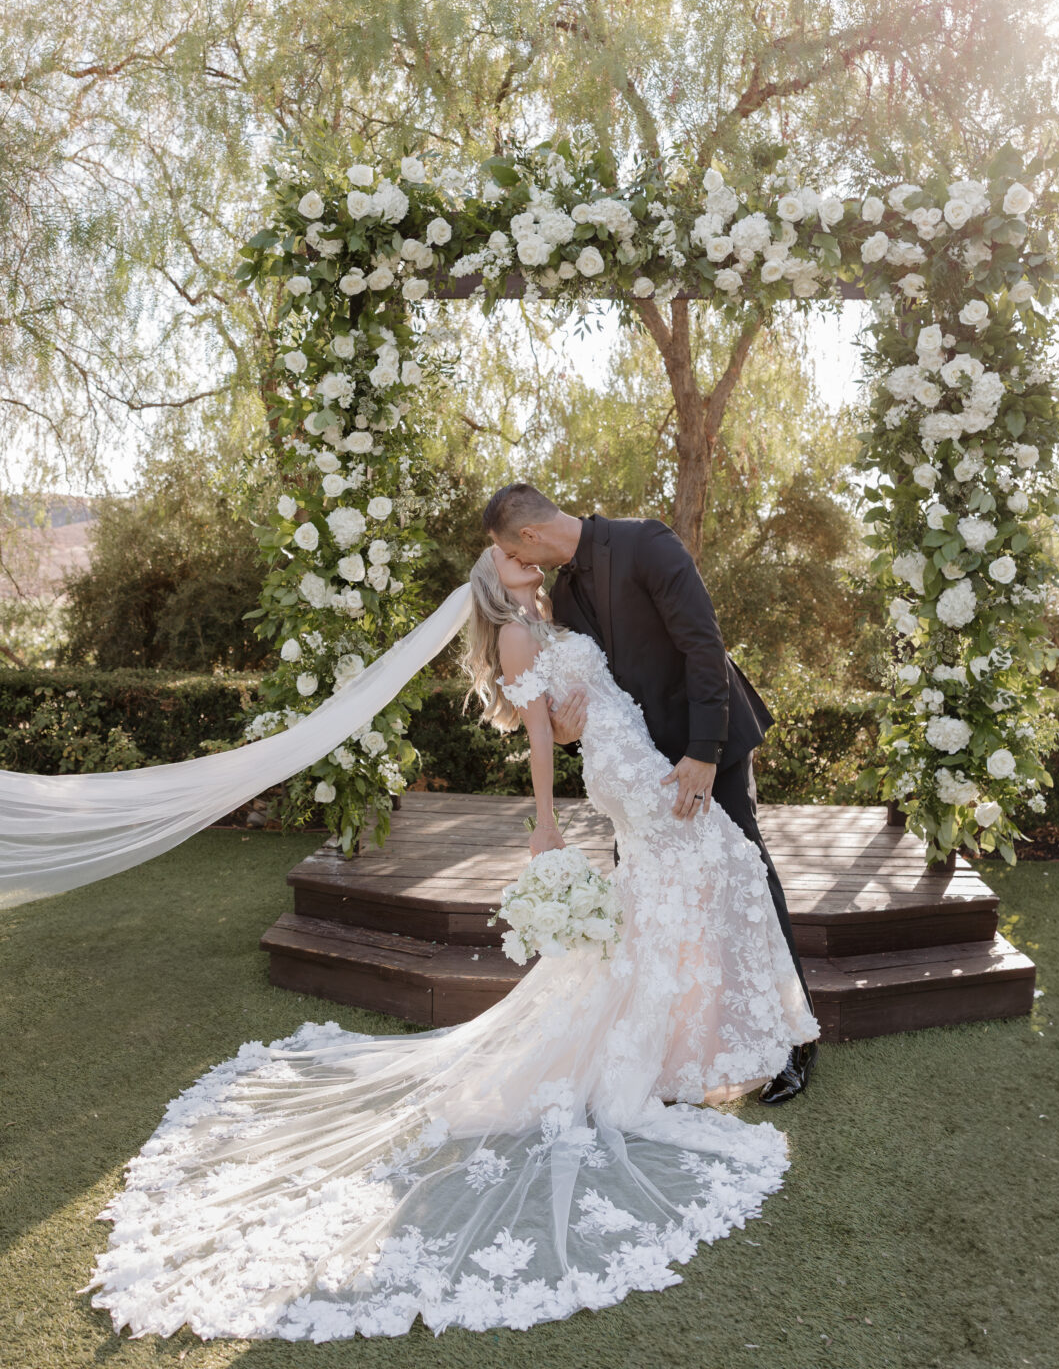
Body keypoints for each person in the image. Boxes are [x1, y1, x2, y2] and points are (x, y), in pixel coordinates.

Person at [84, 545, 819, 1343]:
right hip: (622, 768)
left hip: (628, 750)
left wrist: (588, 717)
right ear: (491, 580)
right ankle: (695, 1039)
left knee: (695, 876)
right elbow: (539, 733)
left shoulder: (548, 617)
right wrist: (544, 823)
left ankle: (679, 1039)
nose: (523, 559)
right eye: (508, 556)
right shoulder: (514, 635)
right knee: (721, 858)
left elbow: (571, 705)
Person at [484, 482, 818, 1105]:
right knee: (648, 900)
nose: (521, 563)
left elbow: (704, 645)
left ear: (528, 535)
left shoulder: (647, 542)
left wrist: (703, 753)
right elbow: (586, 695)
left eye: (516, 551)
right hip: (639, 772)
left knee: (744, 870)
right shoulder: (561, 597)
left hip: (707, 745)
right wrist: (566, 733)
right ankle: (670, 1041)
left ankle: (793, 1041)